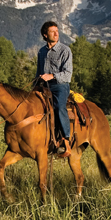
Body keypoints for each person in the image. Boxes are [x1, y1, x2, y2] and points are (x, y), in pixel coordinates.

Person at [36, 20, 73, 154]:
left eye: (57, 31)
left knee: (58, 107)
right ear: (45, 35)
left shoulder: (65, 50)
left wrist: (51, 76)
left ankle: (66, 139)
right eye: (53, 31)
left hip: (60, 86)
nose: (56, 34)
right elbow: (38, 72)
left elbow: (68, 74)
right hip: (44, 86)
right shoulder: (41, 52)